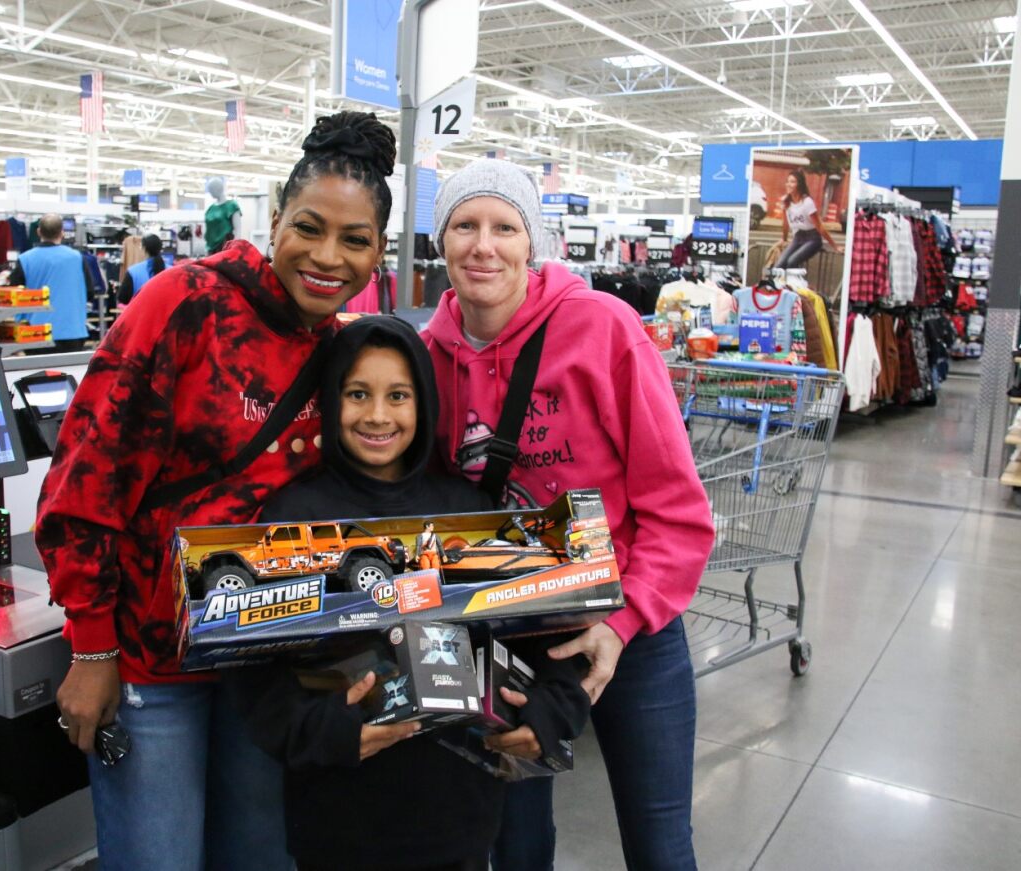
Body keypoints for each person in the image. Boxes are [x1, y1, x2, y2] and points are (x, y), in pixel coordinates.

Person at [35, 111, 397, 871]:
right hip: (149, 663)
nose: (327, 256)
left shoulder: (342, 352)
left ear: (378, 252)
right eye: (309, 227)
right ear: (275, 220)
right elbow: (83, 477)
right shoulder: (186, 304)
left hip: (264, 663)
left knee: (261, 854)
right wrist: (92, 644)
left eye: (354, 240)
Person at [422, 159, 716, 871]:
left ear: (533, 242)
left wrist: (620, 624)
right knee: (514, 848)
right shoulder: (426, 356)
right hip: (504, 639)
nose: (482, 245)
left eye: (504, 227)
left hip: (630, 631)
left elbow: (677, 511)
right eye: (464, 225)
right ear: (441, 241)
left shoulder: (602, 327)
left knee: (658, 844)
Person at [248, 315, 590, 871]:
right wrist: (326, 731)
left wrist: (552, 712)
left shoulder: (473, 513)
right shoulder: (292, 520)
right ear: (332, 401)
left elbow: (545, 635)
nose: (377, 415)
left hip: (458, 820)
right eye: (358, 393)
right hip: (337, 822)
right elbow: (256, 674)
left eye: (398, 395)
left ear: (424, 403)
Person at [8, 213, 95, 352]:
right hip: (72, 331)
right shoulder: (77, 258)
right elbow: (90, 292)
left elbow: (14, 294)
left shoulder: (25, 259)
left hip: (36, 333)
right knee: (71, 373)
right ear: (62, 233)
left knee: (38, 372)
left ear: (38, 232)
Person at [773, 169, 842, 269]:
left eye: (792, 182)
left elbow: (819, 226)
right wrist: (784, 239)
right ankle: (781, 284)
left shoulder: (807, 202)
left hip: (812, 239)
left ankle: (795, 284)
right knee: (779, 266)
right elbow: (785, 223)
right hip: (798, 237)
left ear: (800, 185)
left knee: (792, 261)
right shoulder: (786, 201)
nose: (788, 184)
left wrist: (835, 246)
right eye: (787, 181)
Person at [117, 233, 167, 305]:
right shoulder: (172, 271)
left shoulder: (133, 272)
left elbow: (123, 299)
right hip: (167, 315)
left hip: (141, 314)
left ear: (144, 249)